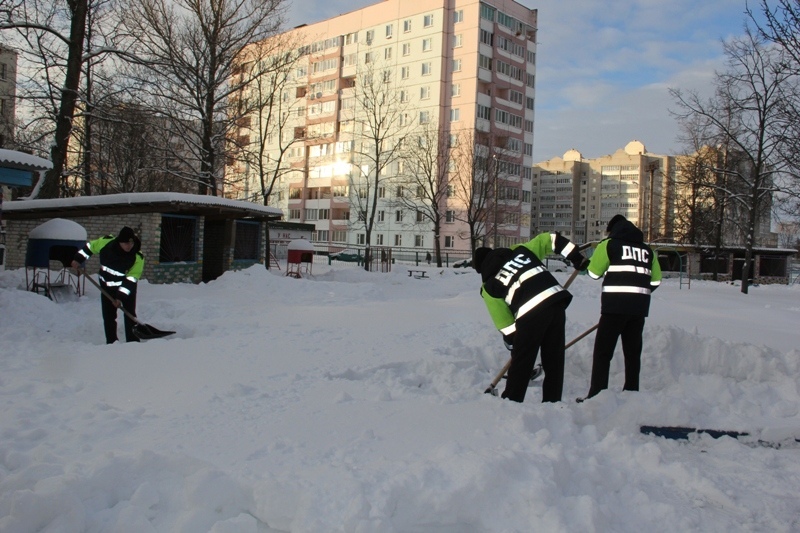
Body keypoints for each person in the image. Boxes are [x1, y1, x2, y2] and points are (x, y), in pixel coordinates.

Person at [474, 232, 589, 403]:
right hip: (555, 302)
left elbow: (506, 325)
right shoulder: (521, 251)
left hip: (530, 315)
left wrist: (515, 345)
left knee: (522, 361)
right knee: (553, 358)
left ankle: (511, 402)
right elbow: (551, 239)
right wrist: (575, 256)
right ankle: (552, 402)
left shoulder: (489, 287)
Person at [578, 214, 662, 402]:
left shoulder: (609, 245)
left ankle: (597, 396)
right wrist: (637, 294)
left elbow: (593, 273)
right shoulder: (648, 250)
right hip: (638, 310)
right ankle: (631, 394)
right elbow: (656, 280)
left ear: (612, 230)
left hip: (613, 309)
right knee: (633, 354)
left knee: (603, 353)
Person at [71, 226, 144, 344]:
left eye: (131, 243)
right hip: (106, 287)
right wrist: (78, 259)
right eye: (125, 243)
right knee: (109, 317)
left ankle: (132, 342)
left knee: (129, 314)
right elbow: (90, 247)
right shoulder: (106, 243)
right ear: (119, 241)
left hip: (126, 289)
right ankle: (111, 342)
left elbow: (131, 279)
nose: (129, 246)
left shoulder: (137, 256)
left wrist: (120, 297)